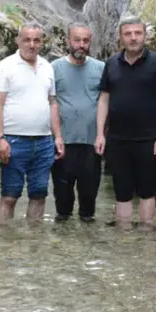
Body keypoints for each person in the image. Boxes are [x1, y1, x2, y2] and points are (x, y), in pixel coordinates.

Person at [95, 15, 156, 226]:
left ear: (145, 35)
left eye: (138, 33)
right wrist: (100, 134)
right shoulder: (111, 63)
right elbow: (104, 99)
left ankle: (145, 234)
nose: (133, 38)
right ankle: (124, 235)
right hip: (117, 140)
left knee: (147, 190)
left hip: (148, 139)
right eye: (128, 34)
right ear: (121, 37)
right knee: (121, 191)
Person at [0, 22, 64, 221]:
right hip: (14, 141)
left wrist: (57, 137)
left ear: (42, 43)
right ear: (18, 41)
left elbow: (53, 103)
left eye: (36, 40)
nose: (32, 44)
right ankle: (4, 241)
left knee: (39, 194)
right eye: (27, 40)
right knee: (9, 195)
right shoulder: (5, 67)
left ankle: (34, 242)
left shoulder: (47, 67)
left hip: (43, 141)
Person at [51, 22, 105, 222]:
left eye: (85, 40)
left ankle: (87, 243)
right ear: (68, 41)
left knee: (89, 201)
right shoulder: (54, 68)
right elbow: (50, 102)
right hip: (63, 143)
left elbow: (106, 103)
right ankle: (62, 244)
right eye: (77, 40)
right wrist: (56, 136)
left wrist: (103, 135)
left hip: (92, 143)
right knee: (62, 201)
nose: (81, 44)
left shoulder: (101, 68)